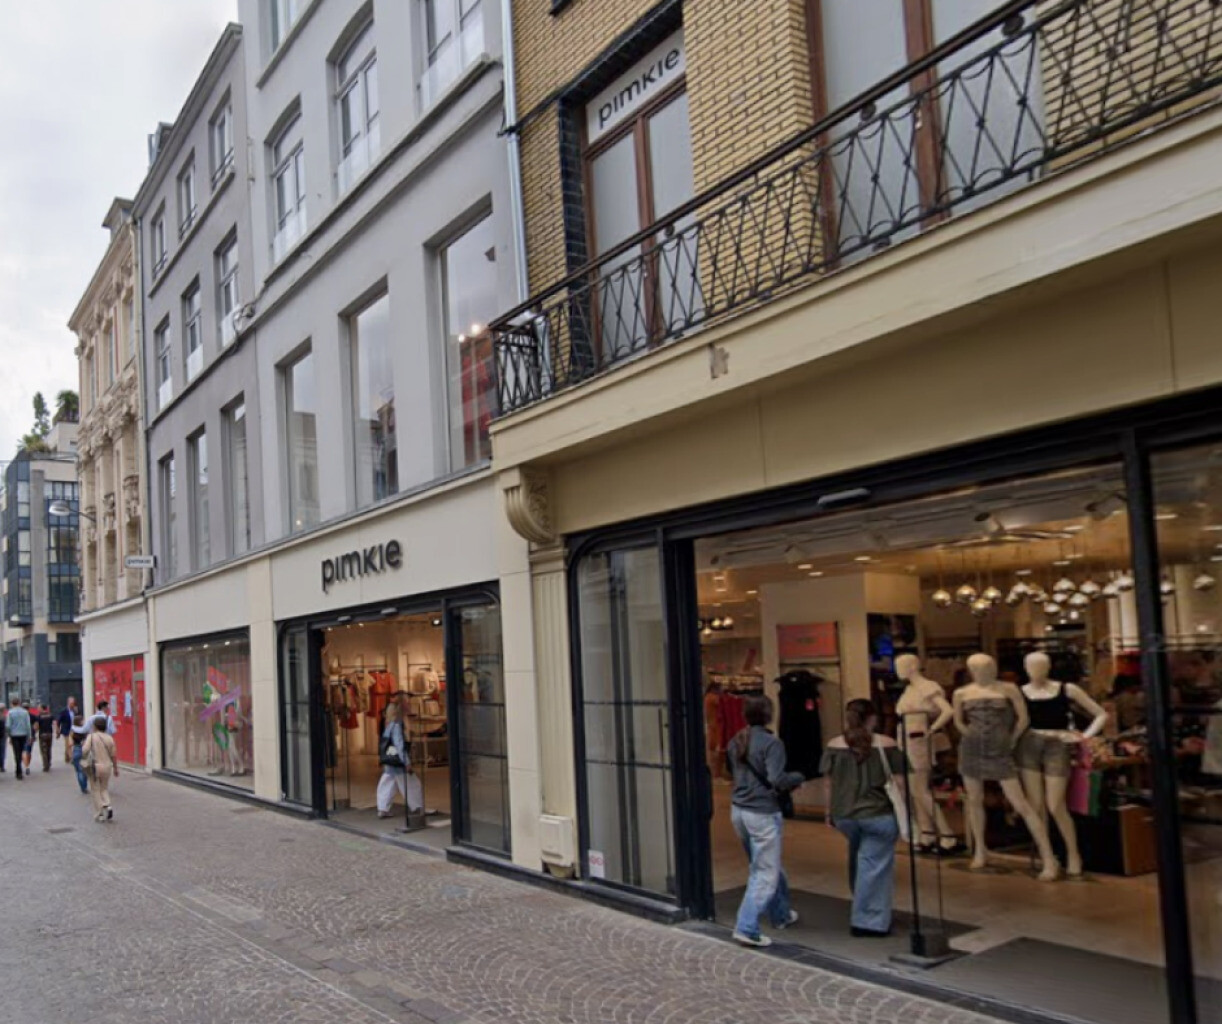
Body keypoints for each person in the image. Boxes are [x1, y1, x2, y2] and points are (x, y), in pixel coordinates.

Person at [820, 698, 906, 937]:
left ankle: (862, 902)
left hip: (845, 814)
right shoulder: (887, 744)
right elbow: (899, 783)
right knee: (874, 864)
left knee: (859, 856)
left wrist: (828, 812)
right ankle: (868, 920)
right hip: (877, 813)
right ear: (873, 718)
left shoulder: (834, 745)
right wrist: (907, 812)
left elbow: (829, 783)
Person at [726, 694, 805, 948]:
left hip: (739, 809)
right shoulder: (771, 743)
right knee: (765, 871)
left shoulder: (736, 740)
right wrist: (797, 777)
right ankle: (746, 926)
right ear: (769, 715)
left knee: (764, 864)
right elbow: (776, 779)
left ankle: (780, 913)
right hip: (761, 812)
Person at [376, 700, 423, 819]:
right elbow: (399, 745)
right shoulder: (397, 726)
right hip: (398, 762)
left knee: (387, 784)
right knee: (412, 783)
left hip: (390, 761)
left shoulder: (388, 725)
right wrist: (406, 762)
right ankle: (417, 806)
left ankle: (383, 808)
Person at [81, 717, 118, 821]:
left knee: (95, 789)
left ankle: (100, 813)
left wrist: (82, 747)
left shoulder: (91, 737)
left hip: (95, 766)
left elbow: (85, 750)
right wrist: (115, 768)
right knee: (104, 788)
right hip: (107, 766)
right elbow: (113, 755)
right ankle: (108, 805)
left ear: (95, 726)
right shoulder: (109, 738)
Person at [6, 698, 32, 780]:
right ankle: (19, 769)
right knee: (21, 751)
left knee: (16, 752)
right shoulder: (25, 712)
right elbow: (28, 725)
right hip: (23, 734)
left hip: (14, 735)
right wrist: (29, 736)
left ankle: (18, 771)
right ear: (19, 703)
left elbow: (8, 726)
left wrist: (9, 735)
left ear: (12, 703)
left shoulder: (10, 712)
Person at [70, 714, 90, 795]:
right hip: (84, 749)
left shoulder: (72, 730)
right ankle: (84, 786)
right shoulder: (85, 730)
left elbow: (70, 743)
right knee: (84, 769)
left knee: (78, 770)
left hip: (76, 749)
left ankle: (82, 787)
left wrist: (70, 754)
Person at [57, 697, 77, 764]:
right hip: (66, 730)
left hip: (74, 730)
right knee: (68, 744)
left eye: (73, 703)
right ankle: (71, 758)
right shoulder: (64, 711)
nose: (72, 705)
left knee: (69, 744)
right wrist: (58, 730)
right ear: (68, 703)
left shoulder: (75, 711)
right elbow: (59, 721)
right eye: (71, 703)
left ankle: (67, 757)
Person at [36, 704, 55, 772]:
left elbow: (37, 726)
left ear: (42, 708)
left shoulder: (39, 716)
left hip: (42, 734)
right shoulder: (50, 715)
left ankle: (45, 765)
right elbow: (54, 723)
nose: (38, 709)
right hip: (49, 734)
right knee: (49, 749)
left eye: (39, 708)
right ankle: (49, 762)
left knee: (43, 750)